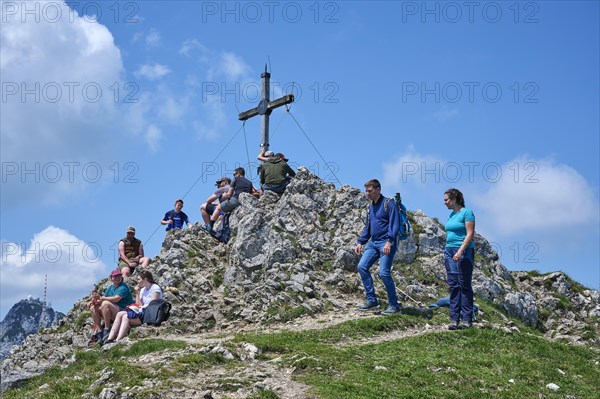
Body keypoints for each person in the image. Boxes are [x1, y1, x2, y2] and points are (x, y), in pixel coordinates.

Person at [354, 179, 402, 315]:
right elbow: (368, 228)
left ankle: (394, 305)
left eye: (369, 191)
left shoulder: (389, 204)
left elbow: (395, 224)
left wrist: (389, 241)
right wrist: (360, 242)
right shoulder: (370, 207)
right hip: (373, 243)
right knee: (362, 267)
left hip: (386, 243)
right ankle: (372, 301)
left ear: (378, 189)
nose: (367, 194)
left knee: (384, 273)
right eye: (366, 191)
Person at [443, 188, 476, 330]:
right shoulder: (451, 215)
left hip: (464, 251)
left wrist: (460, 251)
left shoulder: (467, 213)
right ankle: (454, 319)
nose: (444, 202)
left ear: (454, 199)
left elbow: (470, 234)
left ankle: (467, 319)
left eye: (446, 199)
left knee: (464, 284)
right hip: (449, 251)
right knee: (453, 284)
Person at [105, 270, 163, 343]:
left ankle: (117, 340)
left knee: (125, 316)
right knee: (120, 314)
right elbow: (139, 304)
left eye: (139, 279)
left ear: (145, 279)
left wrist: (139, 309)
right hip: (143, 311)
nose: (137, 281)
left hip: (150, 314)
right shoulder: (143, 290)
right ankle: (110, 339)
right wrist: (138, 293)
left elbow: (153, 305)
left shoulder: (155, 288)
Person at [87, 269, 134, 341]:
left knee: (105, 303)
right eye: (115, 277)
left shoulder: (123, 287)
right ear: (111, 278)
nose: (117, 278)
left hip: (123, 311)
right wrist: (93, 301)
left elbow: (116, 299)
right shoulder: (110, 288)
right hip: (114, 311)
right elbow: (101, 300)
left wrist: (102, 298)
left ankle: (107, 328)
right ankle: (99, 331)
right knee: (94, 307)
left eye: (119, 276)